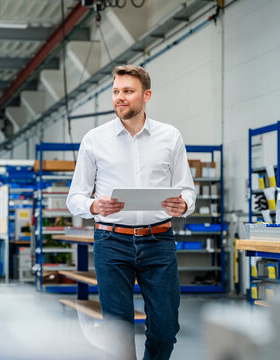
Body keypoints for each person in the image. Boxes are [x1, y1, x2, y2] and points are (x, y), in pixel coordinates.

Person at [66, 65, 196, 360]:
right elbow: (74, 197)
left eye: (127, 91)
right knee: (118, 331)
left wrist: (184, 204)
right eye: (115, 92)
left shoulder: (170, 136)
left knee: (165, 329)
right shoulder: (94, 139)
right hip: (111, 242)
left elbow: (187, 189)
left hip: (159, 241)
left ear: (146, 95)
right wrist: (94, 206)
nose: (119, 98)